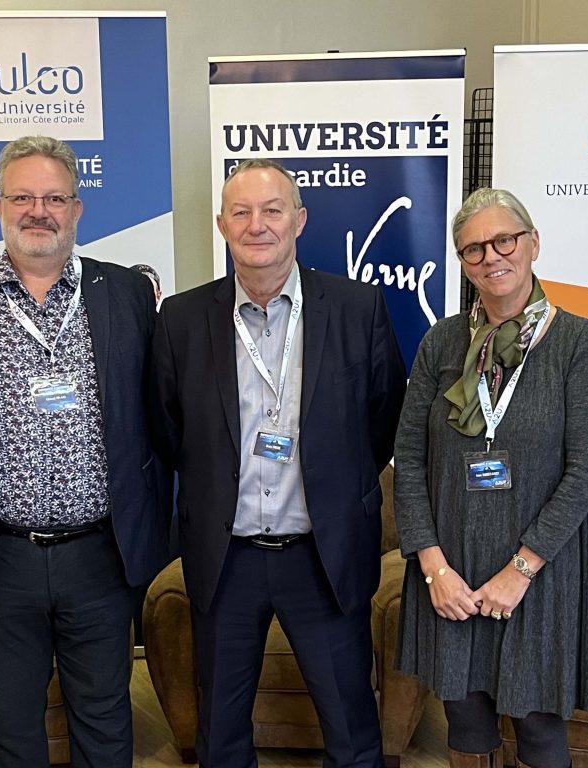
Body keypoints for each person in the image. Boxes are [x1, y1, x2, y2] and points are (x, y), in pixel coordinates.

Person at [0, 135, 169, 768]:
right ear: (0, 207)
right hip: (0, 558)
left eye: (53, 197)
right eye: (22, 196)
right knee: (13, 721)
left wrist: (158, 527)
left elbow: (160, 417)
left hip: (100, 552)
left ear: (77, 208)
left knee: (105, 716)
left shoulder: (127, 294)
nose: (38, 210)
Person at [151, 159, 407, 768]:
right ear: (221, 224)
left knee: (350, 725)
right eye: (241, 211)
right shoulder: (181, 320)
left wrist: (330, 485)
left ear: (300, 220)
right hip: (226, 556)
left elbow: (384, 419)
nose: (257, 224)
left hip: (322, 554)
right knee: (222, 729)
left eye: (272, 210)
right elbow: (168, 431)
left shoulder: (357, 307)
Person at [393, 188, 588, 768]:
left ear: (532, 243)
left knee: (539, 727)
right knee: (465, 720)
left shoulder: (578, 342)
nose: (491, 256)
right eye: (473, 249)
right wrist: (433, 568)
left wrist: (520, 571)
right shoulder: (441, 342)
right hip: (453, 570)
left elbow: (585, 473)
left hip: (540, 571)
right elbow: (409, 460)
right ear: (463, 263)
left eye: (504, 240)